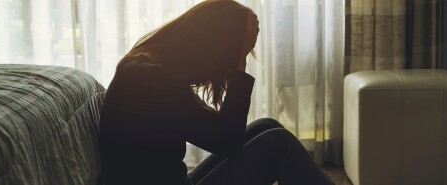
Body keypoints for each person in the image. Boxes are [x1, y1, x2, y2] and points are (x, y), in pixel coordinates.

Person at [97, 0, 335, 184]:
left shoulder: (146, 66)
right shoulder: (154, 79)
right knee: (278, 144)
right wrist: (240, 63)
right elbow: (227, 141)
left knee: (267, 126)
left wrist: (238, 52)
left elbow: (219, 135)